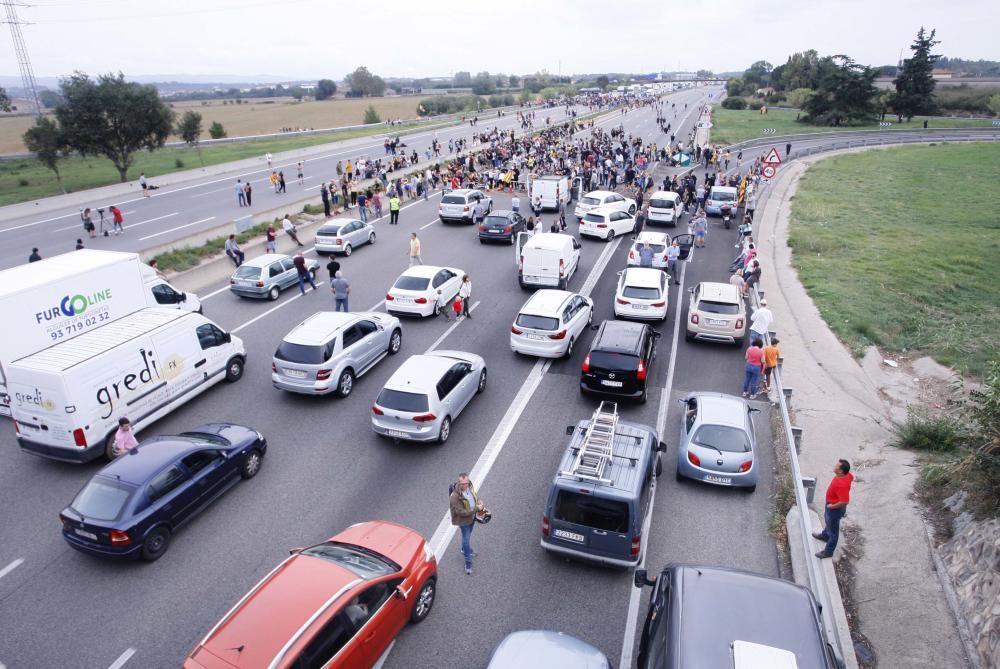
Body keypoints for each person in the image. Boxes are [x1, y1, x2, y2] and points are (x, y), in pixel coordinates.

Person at [813, 460, 854, 559]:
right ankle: (825, 536)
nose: (834, 466)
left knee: (833, 532)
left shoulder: (841, 484)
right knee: (829, 523)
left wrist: (832, 506)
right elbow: (851, 478)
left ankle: (828, 552)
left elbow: (845, 501)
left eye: (837, 466)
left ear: (840, 471)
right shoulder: (848, 475)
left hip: (834, 508)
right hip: (836, 506)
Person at [449, 473, 482, 575]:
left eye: (466, 483)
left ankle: (464, 549)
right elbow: (461, 512)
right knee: (466, 539)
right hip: (464, 521)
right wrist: (476, 508)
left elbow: (475, 496)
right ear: (459, 482)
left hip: (472, 517)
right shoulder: (454, 496)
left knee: (468, 535)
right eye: (462, 484)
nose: (465, 486)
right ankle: (468, 561)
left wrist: (479, 502)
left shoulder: (470, 486)